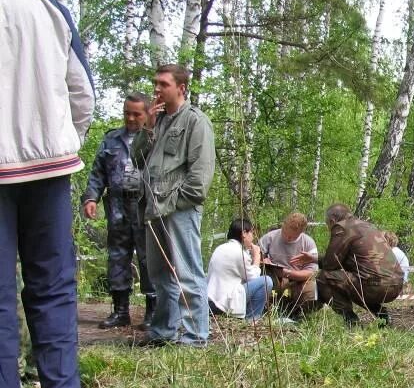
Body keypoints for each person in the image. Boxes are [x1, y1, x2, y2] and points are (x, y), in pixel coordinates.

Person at [1, 0, 95, 388]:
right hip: (47, 167)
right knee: (53, 284)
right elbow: (81, 92)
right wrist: (64, 140)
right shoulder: (45, 5)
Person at [133, 63, 215, 346]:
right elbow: (137, 158)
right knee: (159, 275)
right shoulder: (158, 121)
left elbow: (200, 177)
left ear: (180, 88)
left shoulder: (196, 121)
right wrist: (149, 129)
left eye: (163, 84)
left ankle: (195, 337)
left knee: (188, 273)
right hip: (153, 208)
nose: (156, 89)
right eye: (155, 83)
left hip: (179, 209)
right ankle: (163, 331)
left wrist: (176, 203)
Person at [82, 94, 156, 329]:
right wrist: (91, 198)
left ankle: (152, 311)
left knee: (147, 258)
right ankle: (120, 310)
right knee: (117, 256)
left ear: (147, 115)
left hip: (144, 207)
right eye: (127, 112)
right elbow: (97, 173)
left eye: (137, 114)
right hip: (117, 207)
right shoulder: (111, 140)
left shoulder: (153, 139)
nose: (131, 118)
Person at [316, 204, 403, 326]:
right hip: (397, 284)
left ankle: (350, 319)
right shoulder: (369, 226)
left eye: (327, 224)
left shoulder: (342, 227)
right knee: (353, 281)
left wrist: (313, 259)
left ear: (332, 220)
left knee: (324, 277)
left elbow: (330, 264)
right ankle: (380, 313)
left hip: (373, 286)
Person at [206, 219, 273, 320]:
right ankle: (252, 319)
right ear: (244, 233)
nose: (253, 237)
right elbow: (253, 277)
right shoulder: (239, 252)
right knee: (266, 281)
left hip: (210, 301)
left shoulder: (221, 248)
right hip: (224, 304)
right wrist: (257, 257)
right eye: (251, 233)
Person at [259, 212, 319, 319]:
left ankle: (299, 313)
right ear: (283, 225)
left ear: (301, 233)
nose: (287, 238)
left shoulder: (308, 243)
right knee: (261, 280)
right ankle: (266, 310)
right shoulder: (270, 237)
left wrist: (288, 273)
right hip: (273, 278)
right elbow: (255, 257)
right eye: (285, 233)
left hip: (296, 281)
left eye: (292, 237)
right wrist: (263, 260)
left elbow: (311, 272)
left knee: (312, 289)